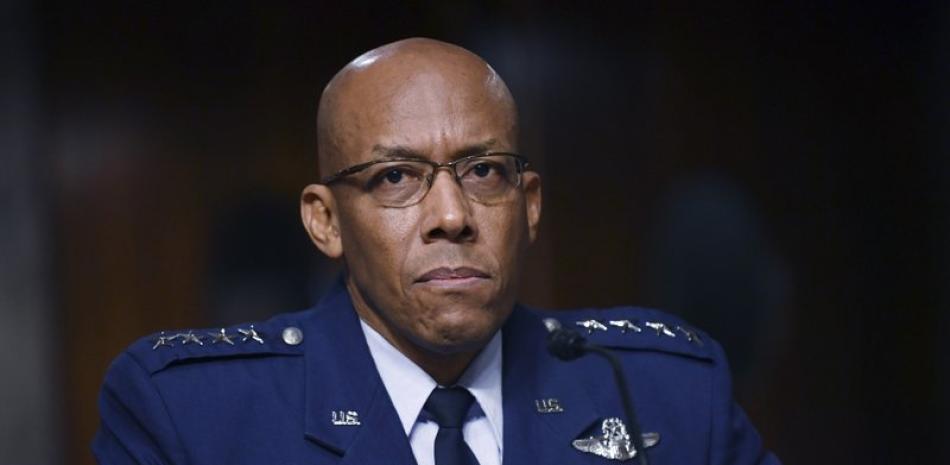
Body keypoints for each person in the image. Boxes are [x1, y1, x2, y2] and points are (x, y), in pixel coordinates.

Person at [93, 38, 780, 465]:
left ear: (529, 204)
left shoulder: (663, 392)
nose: (451, 216)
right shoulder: (193, 415)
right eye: (395, 178)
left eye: (483, 172)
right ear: (326, 222)